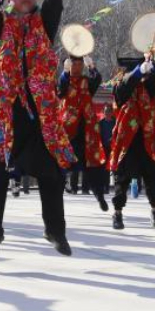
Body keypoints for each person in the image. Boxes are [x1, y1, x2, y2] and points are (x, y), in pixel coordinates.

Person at [0, 0, 75, 258]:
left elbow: (54, 3)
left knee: (51, 173)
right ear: (9, 0)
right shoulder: (0, 25)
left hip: (39, 114)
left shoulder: (43, 24)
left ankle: (55, 231)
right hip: (5, 112)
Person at [109, 50, 155, 230]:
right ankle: (117, 213)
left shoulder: (150, 86)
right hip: (127, 140)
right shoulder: (121, 84)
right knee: (122, 178)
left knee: (151, 178)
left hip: (147, 139)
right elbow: (122, 91)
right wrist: (137, 72)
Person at [57, 55, 107, 209]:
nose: (77, 67)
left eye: (80, 64)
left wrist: (92, 66)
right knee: (62, 164)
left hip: (86, 129)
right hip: (68, 129)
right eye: (74, 64)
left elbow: (97, 79)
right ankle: (56, 197)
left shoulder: (86, 80)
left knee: (91, 166)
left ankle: (99, 196)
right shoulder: (66, 81)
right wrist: (64, 72)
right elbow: (60, 89)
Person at [98, 103, 116, 195]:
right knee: (104, 168)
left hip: (114, 148)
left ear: (112, 112)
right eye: (106, 111)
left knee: (114, 167)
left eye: (109, 111)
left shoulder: (115, 122)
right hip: (103, 148)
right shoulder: (100, 123)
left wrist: (113, 139)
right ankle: (105, 187)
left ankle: (118, 187)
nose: (107, 113)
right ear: (103, 112)